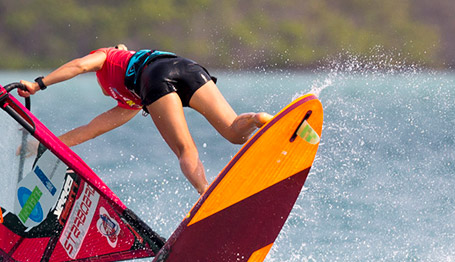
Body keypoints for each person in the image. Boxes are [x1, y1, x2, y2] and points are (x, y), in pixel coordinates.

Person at [16, 45, 269, 195]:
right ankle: (259, 119)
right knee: (234, 131)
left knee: (185, 149)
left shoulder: (108, 56)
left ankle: (205, 192)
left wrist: (38, 84)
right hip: (186, 66)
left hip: (154, 77)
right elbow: (89, 130)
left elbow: (80, 65)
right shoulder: (130, 104)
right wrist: (41, 145)